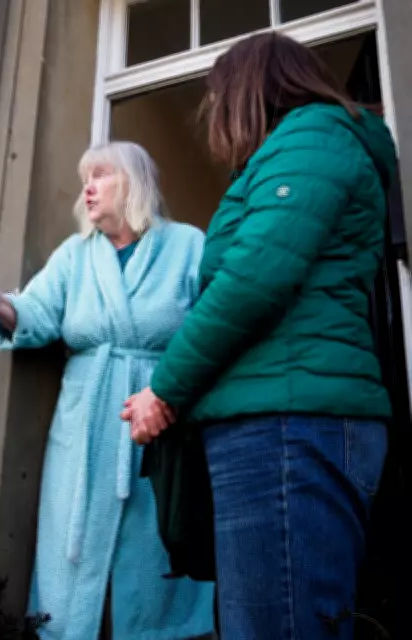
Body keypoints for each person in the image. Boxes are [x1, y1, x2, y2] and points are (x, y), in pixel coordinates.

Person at [124, 33, 397, 640]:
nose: (217, 116)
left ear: (250, 89)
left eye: (220, 98)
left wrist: (163, 392)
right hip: (286, 424)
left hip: (289, 426)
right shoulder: (302, 147)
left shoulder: (309, 138)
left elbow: (252, 280)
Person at [0, 141, 216, 640]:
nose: (87, 187)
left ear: (133, 182)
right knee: (72, 545)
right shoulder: (75, 256)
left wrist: (176, 391)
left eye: (101, 175)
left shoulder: (189, 245)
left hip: (161, 420)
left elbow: (213, 326)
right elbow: (37, 313)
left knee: (157, 549)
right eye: (85, 177)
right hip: (85, 422)